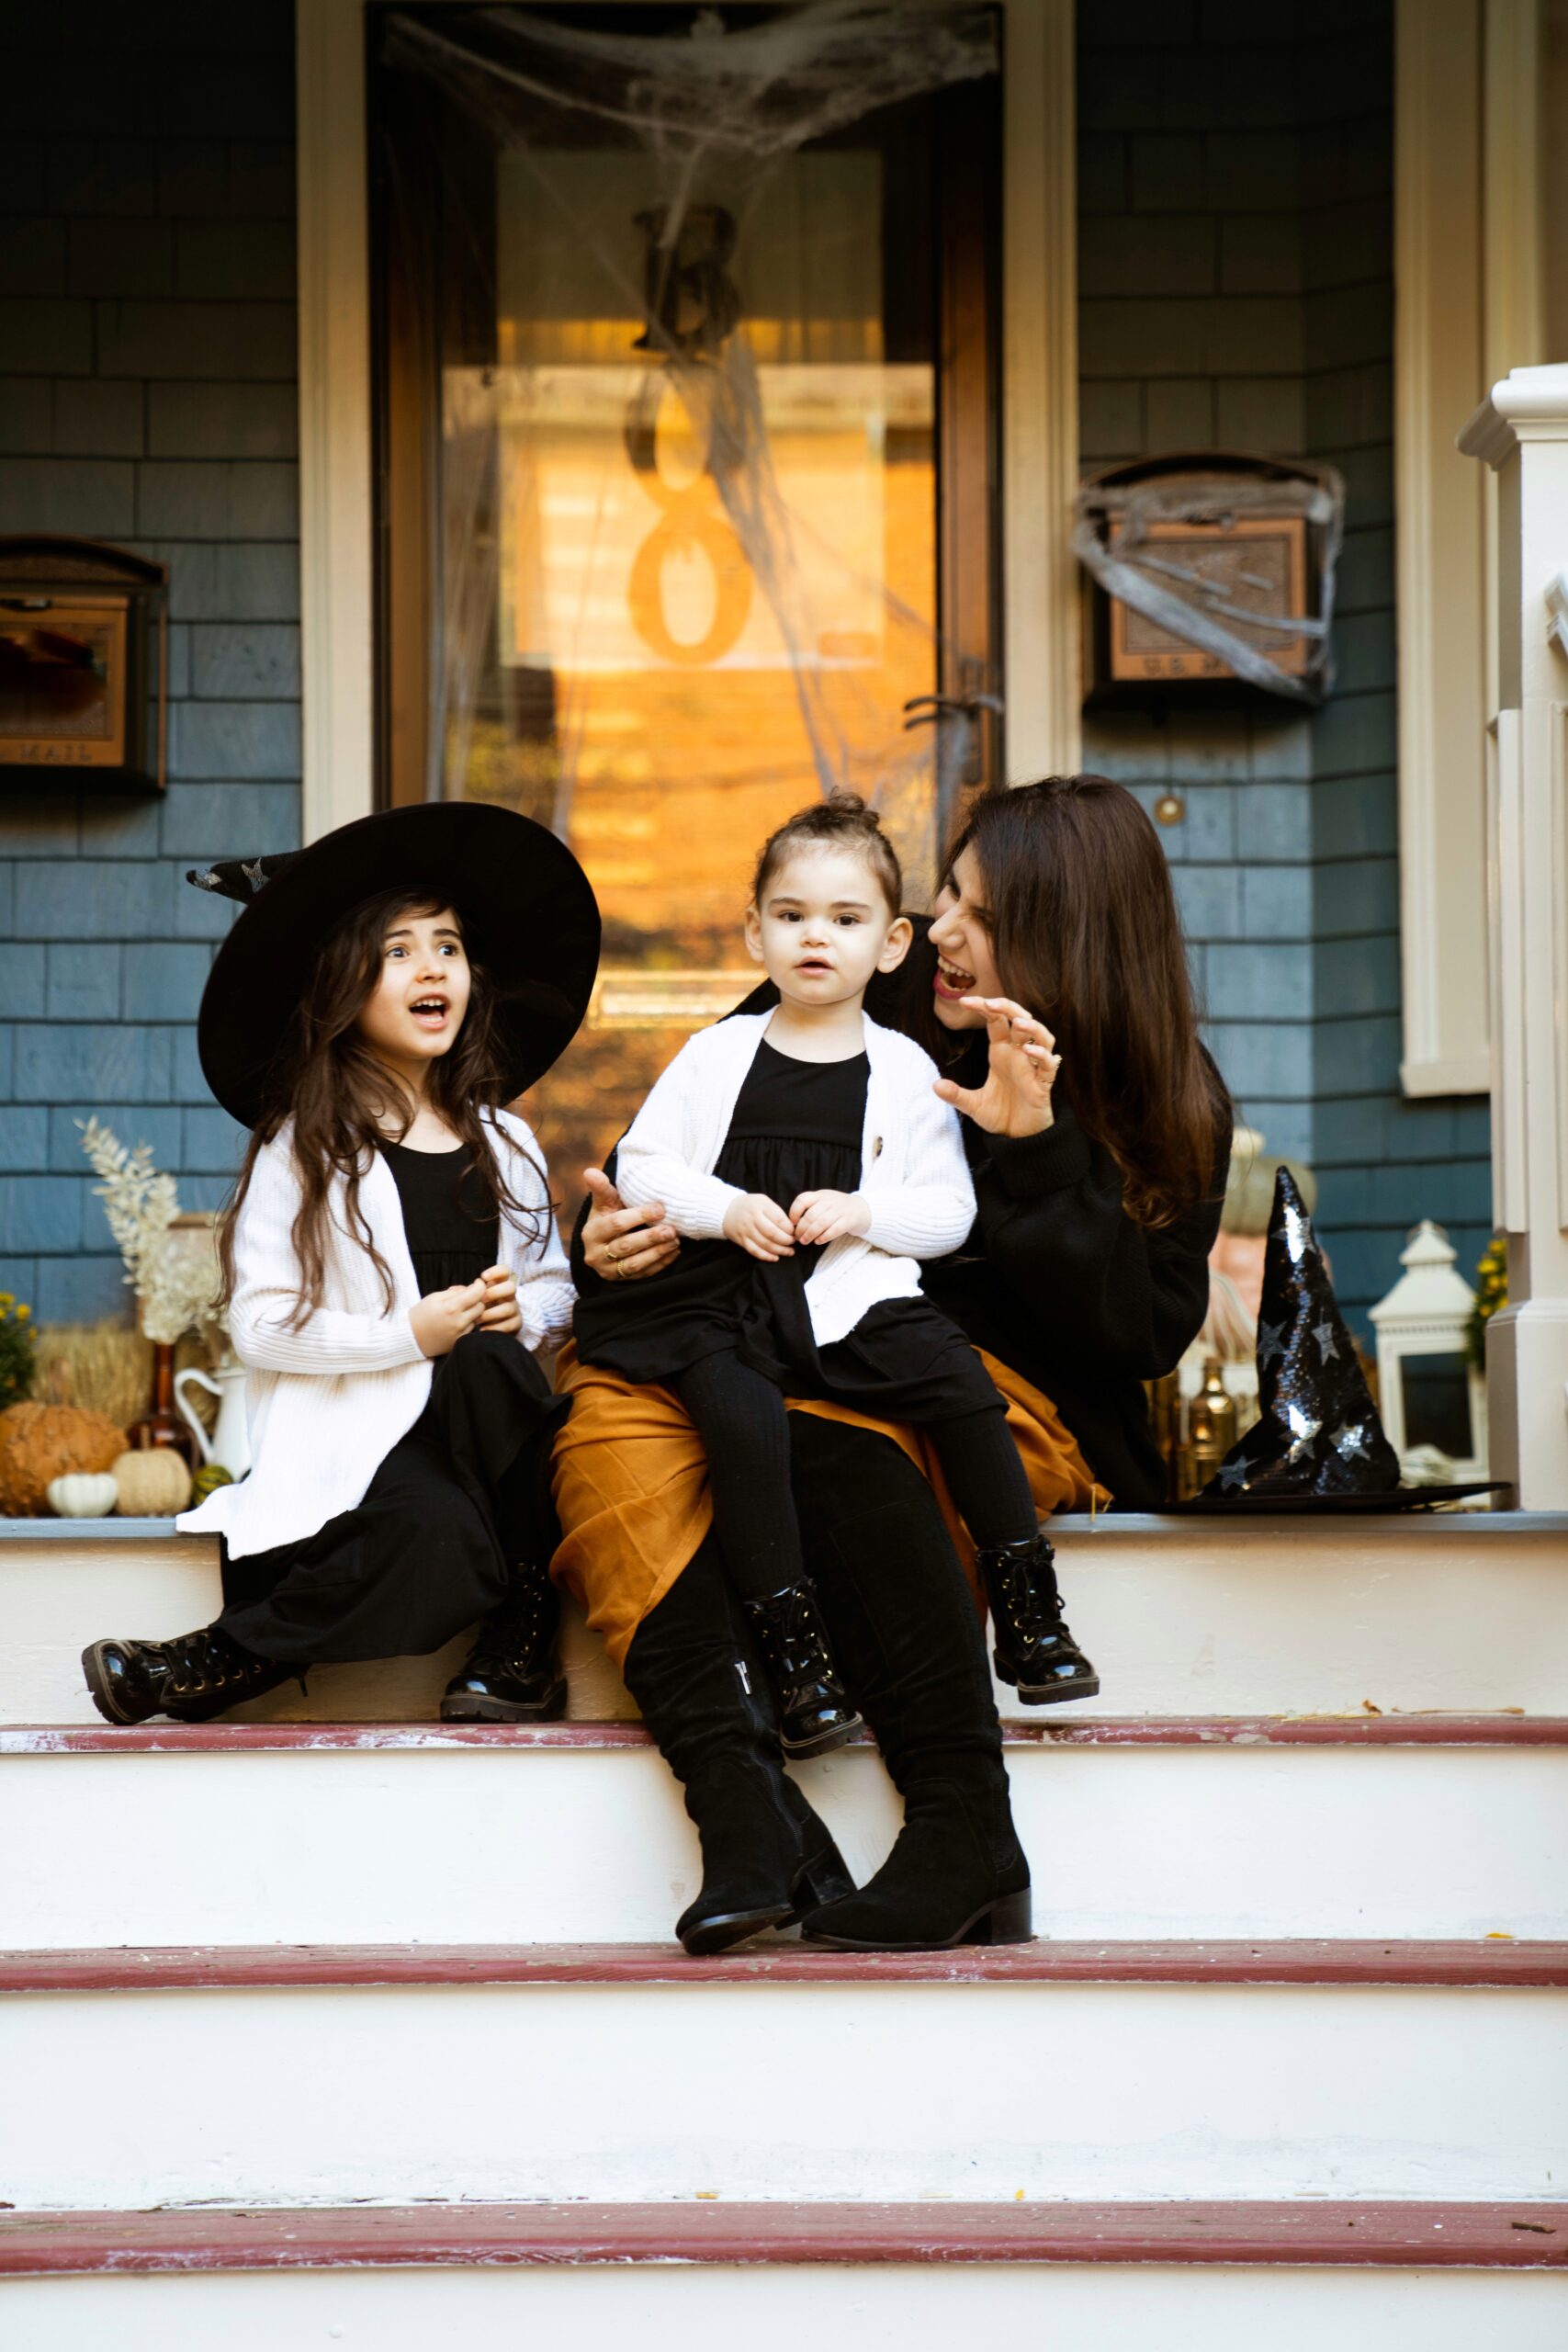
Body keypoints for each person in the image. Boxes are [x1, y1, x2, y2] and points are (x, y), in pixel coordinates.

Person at [557, 776, 1231, 1952]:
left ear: (1071, 930)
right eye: (948, 898)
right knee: (607, 1435)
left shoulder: (1169, 1097)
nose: (949, 933)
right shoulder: (879, 986)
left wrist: (1032, 1148)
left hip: (976, 1385)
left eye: (984, 911)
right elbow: (680, 1142)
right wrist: (610, 1239)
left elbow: (1133, 1335)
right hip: (782, 1333)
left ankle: (967, 1820)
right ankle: (751, 1807)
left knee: (832, 1442)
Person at [576, 794, 1077, 1770]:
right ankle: (795, 1656)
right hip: (722, 1295)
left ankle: (1030, 1611)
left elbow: (950, 1212)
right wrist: (721, 1209)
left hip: (851, 1296)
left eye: (846, 921)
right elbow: (643, 1164)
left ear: (892, 945)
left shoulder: (907, 1068)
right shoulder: (714, 1052)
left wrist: (865, 1213)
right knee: (743, 1425)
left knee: (963, 1390)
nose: (817, 937)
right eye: (793, 914)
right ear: (754, 929)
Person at [81, 802, 601, 1730]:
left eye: (448, 945)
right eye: (398, 951)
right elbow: (261, 1325)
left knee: (487, 1362)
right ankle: (229, 1660)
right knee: (438, 1541)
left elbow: (556, 1288)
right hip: (371, 1441)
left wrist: (510, 1307)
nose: (433, 964)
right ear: (344, 987)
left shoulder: (507, 1141)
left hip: (486, 1436)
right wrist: (408, 1332)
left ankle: (522, 1626)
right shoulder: (305, 1148)